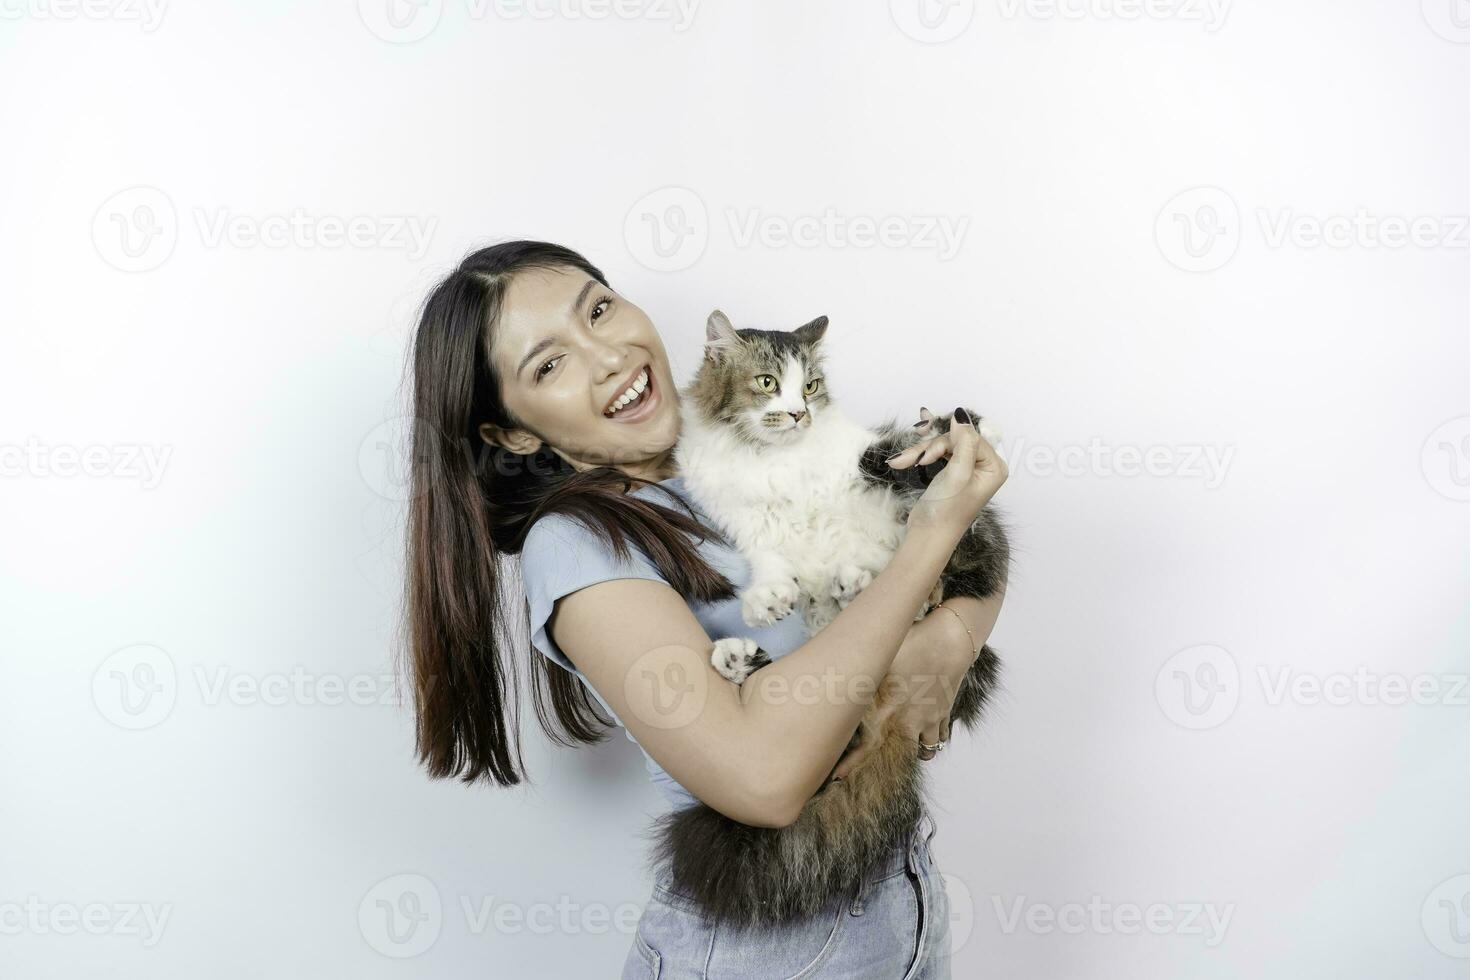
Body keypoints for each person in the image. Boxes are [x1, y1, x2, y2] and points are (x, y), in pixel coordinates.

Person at [404, 240, 1008, 978]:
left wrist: (949, 634)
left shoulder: (741, 442)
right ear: (514, 433)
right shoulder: (577, 547)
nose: (608, 356)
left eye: (598, 309)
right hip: (767, 947)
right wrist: (932, 549)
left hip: (902, 902)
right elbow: (764, 779)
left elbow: (971, 551)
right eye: (550, 364)